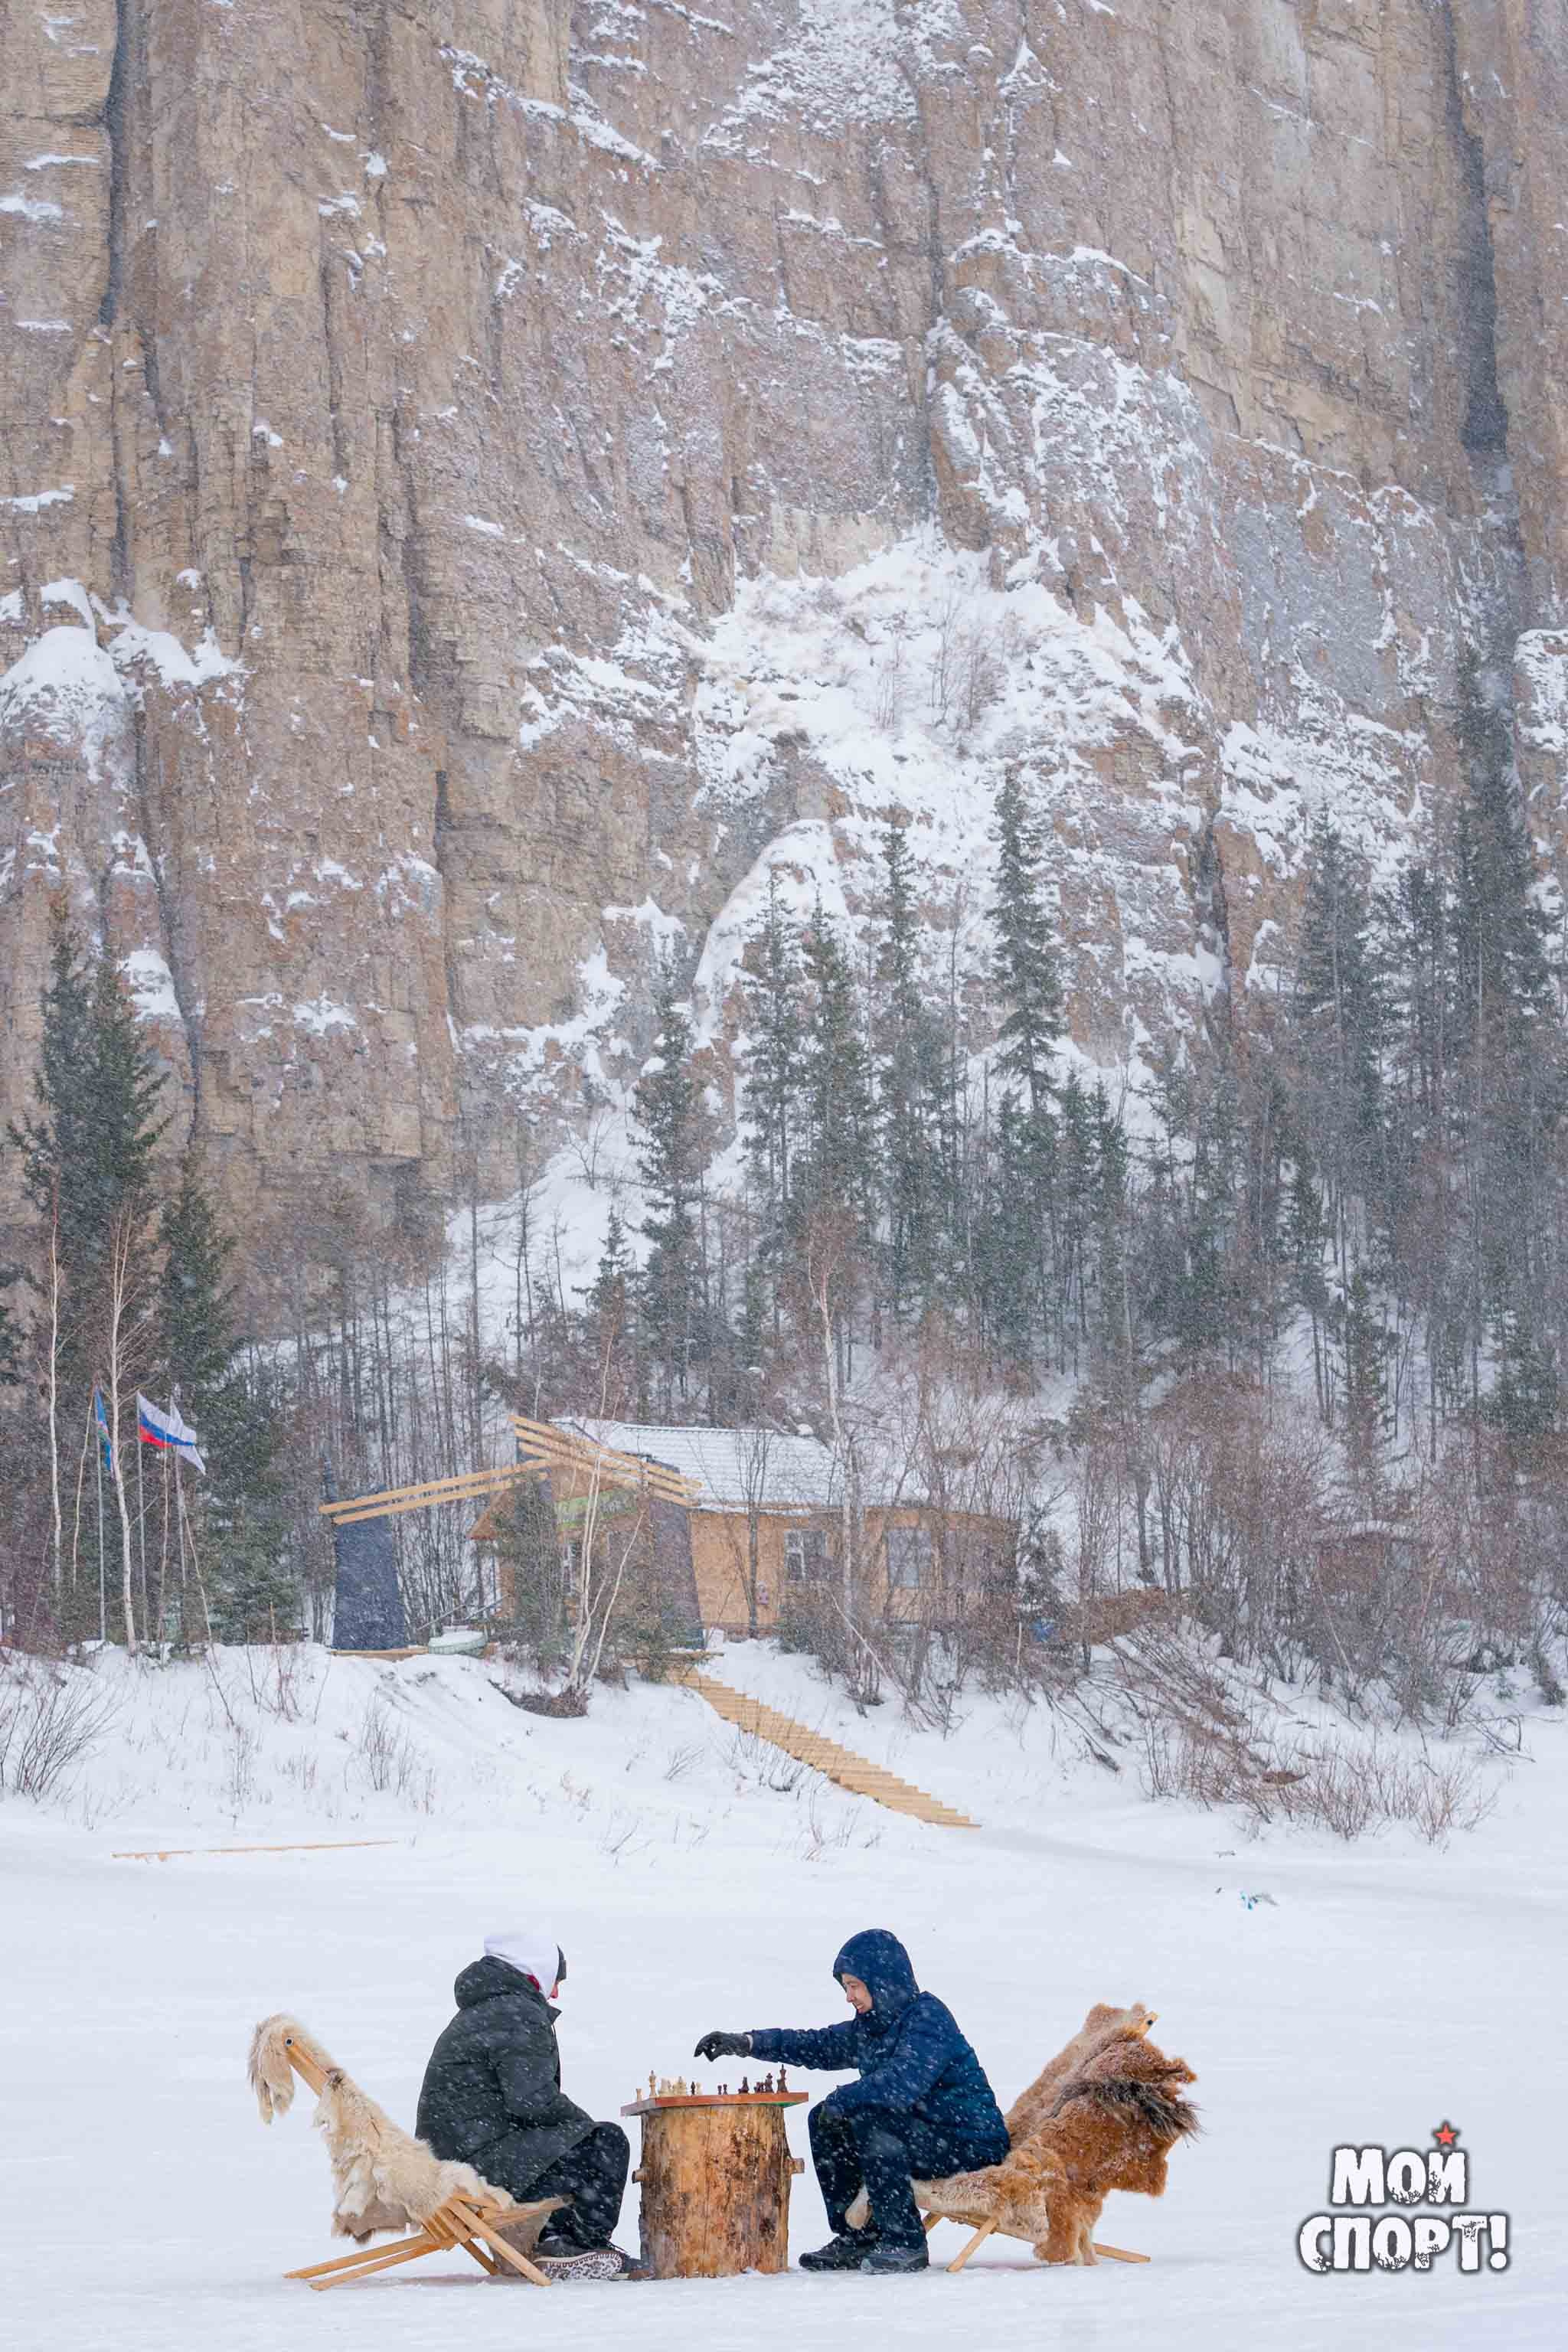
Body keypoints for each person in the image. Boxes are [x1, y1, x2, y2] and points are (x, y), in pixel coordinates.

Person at [695, 1927, 1008, 2272]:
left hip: (971, 2142)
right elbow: (816, 2044)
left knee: (871, 2121)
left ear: (882, 1981)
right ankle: (857, 2238)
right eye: (846, 1987)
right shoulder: (872, 2026)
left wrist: (843, 2098)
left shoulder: (928, 2019)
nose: (849, 1997)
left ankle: (905, 2242)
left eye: (854, 1986)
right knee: (825, 2120)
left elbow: (902, 2083)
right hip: (928, 2136)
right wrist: (748, 2043)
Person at [417, 1925, 632, 2278]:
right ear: (535, 1969)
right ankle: (580, 2246)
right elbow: (532, 2102)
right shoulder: (516, 2012)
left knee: (576, 2144)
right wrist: (584, 2127)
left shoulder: (492, 2008)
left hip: (455, 2157)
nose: (557, 1993)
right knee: (604, 2143)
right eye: (556, 1980)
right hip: (472, 2166)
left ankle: (558, 2241)